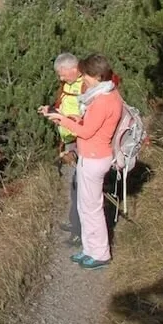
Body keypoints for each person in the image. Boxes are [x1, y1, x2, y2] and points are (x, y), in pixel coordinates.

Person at [42, 53, 123, 269]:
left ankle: (100, 254)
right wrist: (64, 115)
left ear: (96, 75)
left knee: (92, 209)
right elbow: (88, 123)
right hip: (93, 156)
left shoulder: (103, 101)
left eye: (85, 74)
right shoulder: (106, 94)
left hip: (94, 157)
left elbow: (86, 132)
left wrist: (61, 119)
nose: (83, 78)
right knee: (86, 206)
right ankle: (90, 249)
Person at [45, 53, 83, 245]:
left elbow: (83, 116)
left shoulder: (85, 85)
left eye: (62, 74)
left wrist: (63, 119)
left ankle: (79, 232)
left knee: (81, 186)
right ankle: (75, 221)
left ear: (73, 68)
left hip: (82, 139)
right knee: (75, 184)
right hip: (70, 137)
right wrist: (53, 111)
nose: (60, 78)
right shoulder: (69, 85)